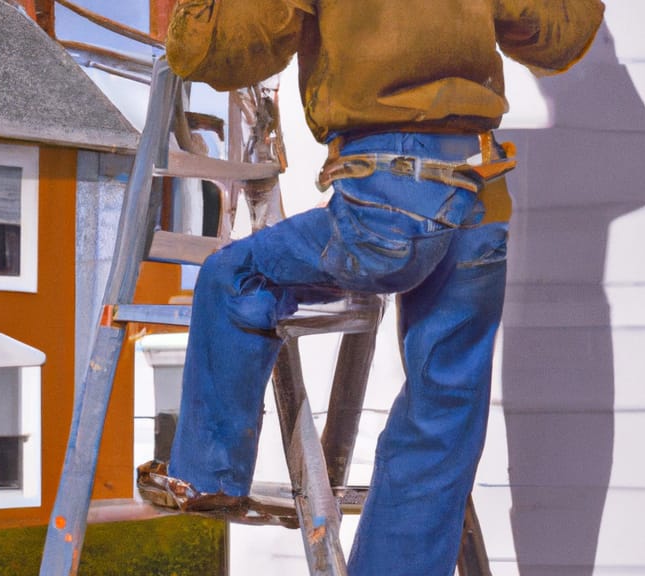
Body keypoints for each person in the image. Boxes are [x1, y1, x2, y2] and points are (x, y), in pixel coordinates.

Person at [137, 1, 604, 574]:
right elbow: (562, 33)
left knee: (233, 275)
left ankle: (205, 477)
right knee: (442, 416)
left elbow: (217, 49)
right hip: (480, 200)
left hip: (387, 194)